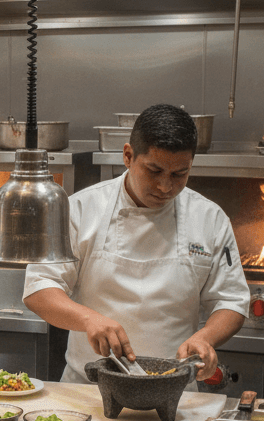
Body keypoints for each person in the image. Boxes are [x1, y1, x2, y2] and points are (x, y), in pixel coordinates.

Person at [24, 104, 249, 384]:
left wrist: (205, 338)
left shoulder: (209, 218)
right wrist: (88, 319)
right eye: (154, 170)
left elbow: (231, 301)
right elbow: (39, 289)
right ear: (128, 156)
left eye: (179, 174)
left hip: (174, 389)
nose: (166, 186)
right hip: (89, 389)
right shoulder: (80, 210)